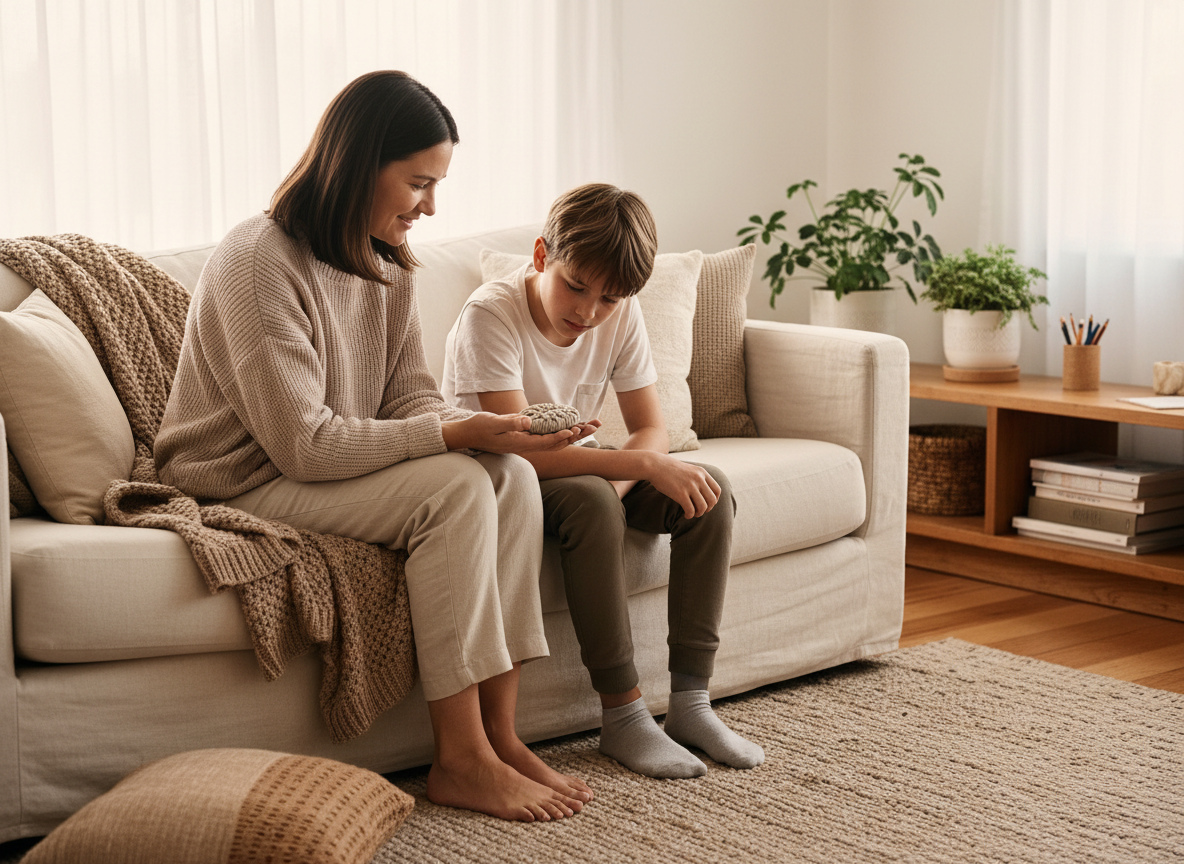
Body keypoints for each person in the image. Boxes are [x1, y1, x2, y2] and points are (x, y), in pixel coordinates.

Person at [154, 70, 594, 822]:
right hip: (243, 476)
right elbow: (304, 446)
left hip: (328, 461)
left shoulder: (385, 259)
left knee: (509, 474)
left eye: (437, 184)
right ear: (358, 164)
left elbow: (407, 397)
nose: (430, 207)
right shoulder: (258, 260)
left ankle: (498, 734)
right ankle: (457, 761)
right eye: (419, 183)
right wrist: (452, 434)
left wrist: (494, 433)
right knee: (457, 487)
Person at [441, 183, 764, 779]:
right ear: (542, 256)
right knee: (593, 499)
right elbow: (521, 452)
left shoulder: (620, 314)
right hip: (499, 475)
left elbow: (649, 429)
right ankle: (623, 716)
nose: (588, 312)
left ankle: (692, 704)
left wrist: (636, 469)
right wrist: (634, 467)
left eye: (610, 299)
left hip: (581, 467)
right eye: (575, 285)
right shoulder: (492, 313)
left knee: (705, 489)